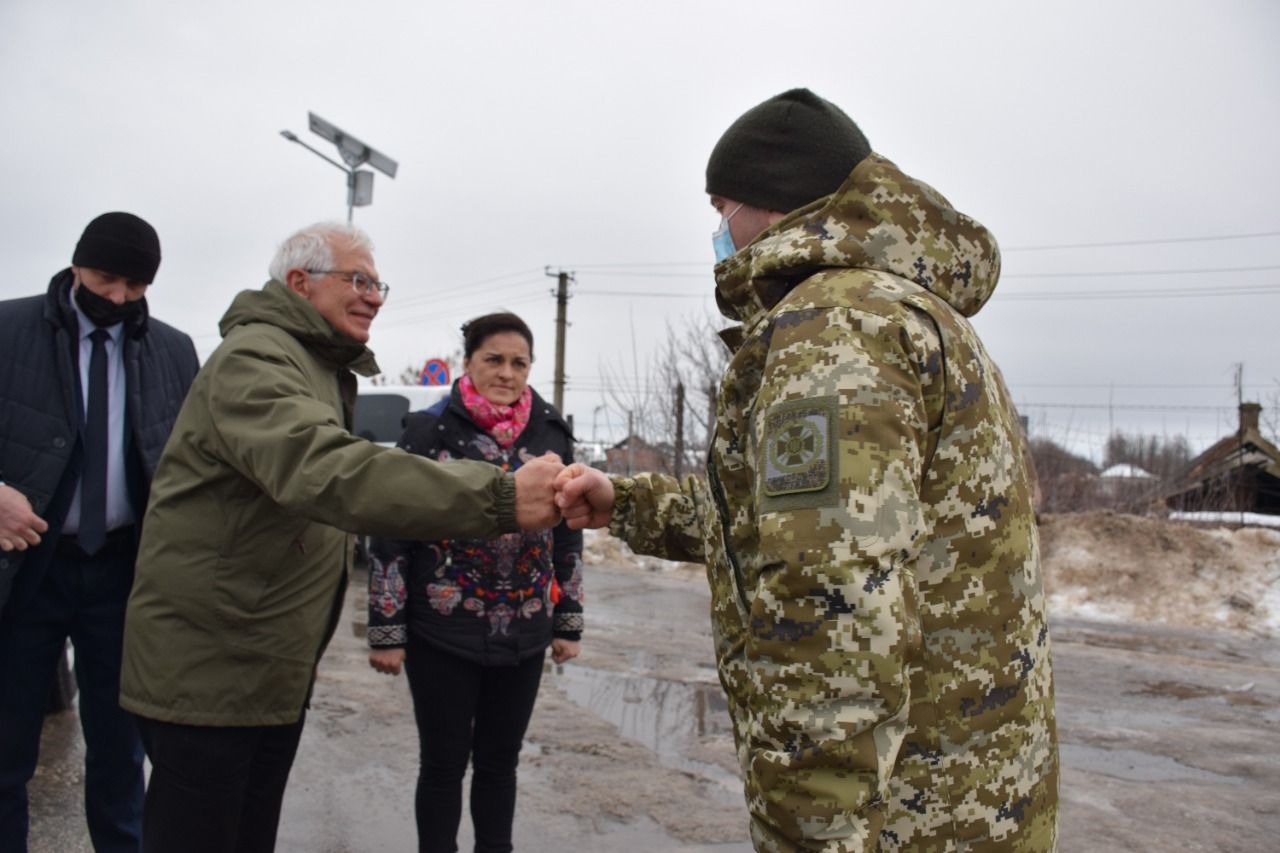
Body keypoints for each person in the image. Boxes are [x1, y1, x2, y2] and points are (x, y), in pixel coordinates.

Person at [555, 88, 1059, 851]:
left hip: (903, 814)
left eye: (722, 205)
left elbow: (831, 601)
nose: (718, 232)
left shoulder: (835, 326)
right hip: (970, 794)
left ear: (774, 202)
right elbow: (784, 516)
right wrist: (622, 499)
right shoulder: (905, 311)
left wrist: (814, 830)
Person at [118, 223, 565, 853]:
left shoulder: (313, 364)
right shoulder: (257, 360)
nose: (375, 296)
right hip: (211, 670)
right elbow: (326, 469)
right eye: (357, 281)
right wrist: (498, 495)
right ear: (300, 283)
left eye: (377, 283)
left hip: (260, 666)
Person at [0, 212, 199, 853]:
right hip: (26, 568)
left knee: (121, 752)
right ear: (76, 263)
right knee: (6, 750)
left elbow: (193, 459)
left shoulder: (173, 349)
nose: (117, 298)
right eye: (106, 278)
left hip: (125, 573)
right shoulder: (8, 329)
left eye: (135, 286)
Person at [367, 311, 583, 853]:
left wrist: (569, 621)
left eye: (519, 362)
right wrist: (386, 630)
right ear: (468, 363)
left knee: (499, 763)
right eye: (494, 359)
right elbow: (392, 529)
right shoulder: (428, 429)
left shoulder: (552, 433)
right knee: (441, 765)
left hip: (526, 632)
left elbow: (569, 534)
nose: (507, 373)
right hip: (442, 629)